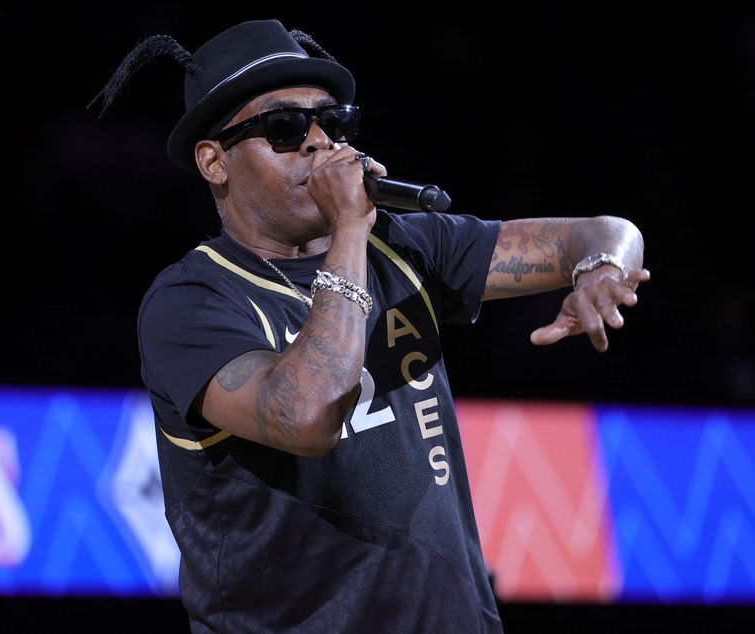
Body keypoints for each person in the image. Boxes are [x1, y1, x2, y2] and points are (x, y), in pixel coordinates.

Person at [93, 19, 649, 633]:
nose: (318, 144)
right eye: (284, 128)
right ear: (213, 162)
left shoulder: (404, 246)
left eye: (332, 123)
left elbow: (605, 232)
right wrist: (351, 229)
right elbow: (305, 415)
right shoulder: (192, 301)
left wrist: (600, 268)